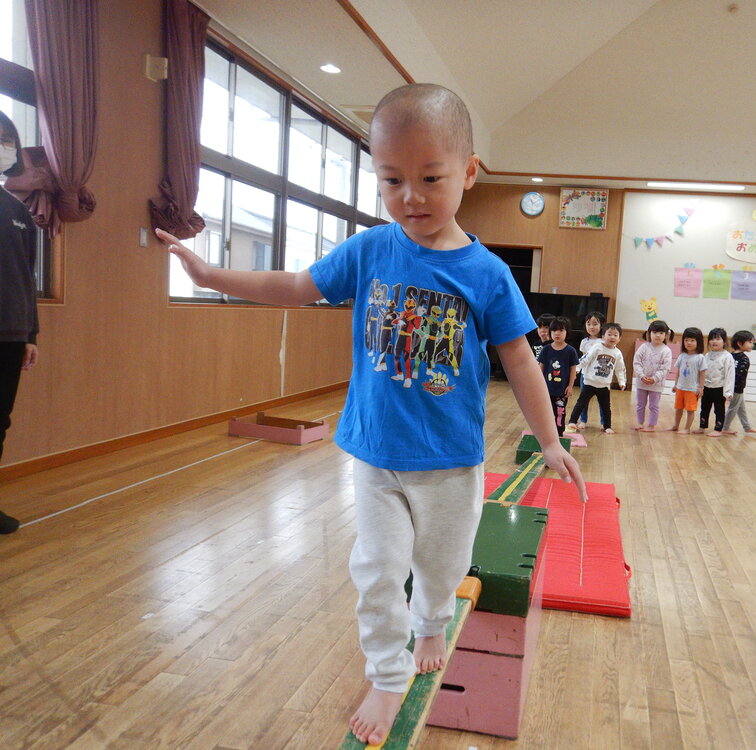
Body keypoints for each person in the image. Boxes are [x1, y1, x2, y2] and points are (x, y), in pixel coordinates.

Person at [159, 83, 585, 747]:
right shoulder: (370, 250)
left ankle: (432, 620)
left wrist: (549, 439)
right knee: (378, 569)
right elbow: (295, 285)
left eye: (430, 178)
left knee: (442, 566)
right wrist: (215, 277)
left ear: (469, 173)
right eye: (392, 180)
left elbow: (522, 360)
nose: (410, 196)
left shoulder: (486, 273)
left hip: (450, 462)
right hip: (376, 456)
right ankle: (387, 673)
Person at [0, 111, 39, 536]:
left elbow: (26, 276)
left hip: (10, 335)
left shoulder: (18, 212)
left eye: (7, 139)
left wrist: (30, 334)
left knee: (0, 421)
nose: (3, 146)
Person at [565, 322, 626, 434]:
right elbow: (585, 359)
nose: (612, 337)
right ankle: (572, 421)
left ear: (619, 338)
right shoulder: (597, 347)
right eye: (609, 334)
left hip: (604, 385)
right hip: (589, 383)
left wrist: (622, 382)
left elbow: (620, 369)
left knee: (606, 407)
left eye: (615, 335)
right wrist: (577, 368)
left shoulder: (617, 353)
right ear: (603, 336)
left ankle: (607, 426)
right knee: (581, 403)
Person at [537, 316, 578, 436]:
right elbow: (540, 369)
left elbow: (573, 370)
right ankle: (546, 432)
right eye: (554, 330)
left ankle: (559, 433)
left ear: (567, 332)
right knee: (546, 412)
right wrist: (538, 386)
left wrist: (570, 386)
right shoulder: (546, 350)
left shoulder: (570, 351)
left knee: (560, 412)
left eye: (561, 330)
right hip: (546, 389)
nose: (557, 333)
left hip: (562, 390)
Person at [632, 319, 673, 432]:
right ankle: (640, 423)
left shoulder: (666, 351)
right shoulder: (644, 347)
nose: (658, 335)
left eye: (661, 333)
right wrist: (641, 376)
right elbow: (636, 362)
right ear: (649, 333)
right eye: (655, 332)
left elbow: (665, 368)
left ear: (666, 335)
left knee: (654, 406)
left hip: (656, 385)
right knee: (640, 404)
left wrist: (654, 379)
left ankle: (651, 425)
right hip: (641, 382)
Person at [668, 327, 706, 434]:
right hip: (680, 387)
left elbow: (702, 374)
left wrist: (701, 387)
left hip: (692, 389)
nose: (689, 343)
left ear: (699, 342)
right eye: (686, 340)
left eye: (692, 340)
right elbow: (678, 372)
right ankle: (676, 425)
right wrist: (675, 384)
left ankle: (687, 428)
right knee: (678, 408)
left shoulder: (700, 357)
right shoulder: (682, 356)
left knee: (690, 410)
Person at [698, 327, 734, 437]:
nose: (714, 341)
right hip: (707, 386)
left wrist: (728, 391)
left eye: (718, 339)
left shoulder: (727, 356)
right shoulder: (707, 355)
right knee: (704, 408)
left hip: (719, 388)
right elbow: (702, 372)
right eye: (712, 339)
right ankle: (702, 427)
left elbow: (730, 375)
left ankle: (718, 429)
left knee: (719, 409)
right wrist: (700, 386)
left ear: (724, 342)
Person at [721, 330, 756, 435]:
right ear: (740, 343)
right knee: (733, 408)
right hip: (736, 388)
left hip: (736, 388)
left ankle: (747, 427)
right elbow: (737, 375)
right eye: (750, 342)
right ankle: (725, 427)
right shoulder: (743, 359)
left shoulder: (730, 355)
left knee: (741, 408)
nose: (752, 345)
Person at [576, 309, 605, 430]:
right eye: (588, 324)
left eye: (595, 324)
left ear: (601, 325)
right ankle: (583, 420)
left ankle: (604, 422)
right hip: (585, 375)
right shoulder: (584, 341)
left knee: (602, 401)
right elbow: (583, 358)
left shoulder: (604, 341)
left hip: (600, 375)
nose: (591, 327)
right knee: (583, 399)